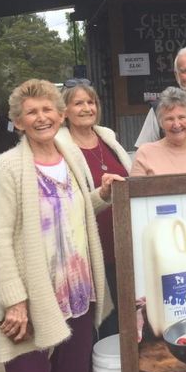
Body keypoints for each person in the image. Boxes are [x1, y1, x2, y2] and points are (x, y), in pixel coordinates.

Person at [0, 79, 124, 372]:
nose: (41, 118)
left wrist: (103, 195)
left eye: (48, 110)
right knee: (28, 367)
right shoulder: (8, 167)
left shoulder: (69, 155)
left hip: (76, 280)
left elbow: (79, 209)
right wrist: (14, 298)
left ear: (60, 115)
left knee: (73, 360)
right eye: (31, 112)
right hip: (34, 286)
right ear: (18, 122)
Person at [57, 78, 131, 338]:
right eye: (78, 103)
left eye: (91, 102)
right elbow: (64, 206)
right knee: (98, 318)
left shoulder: (107, 137)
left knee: (128, 312)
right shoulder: (60, 147)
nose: (87, 108)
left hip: (122, 241)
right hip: (89, 247)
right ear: (64, 111)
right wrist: (101, 194)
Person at [131, 86, 186, 176]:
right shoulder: (145, 153)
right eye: (169, 119)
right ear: (161, 123)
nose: (176, 125)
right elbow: (134, 189)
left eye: (181, 117)